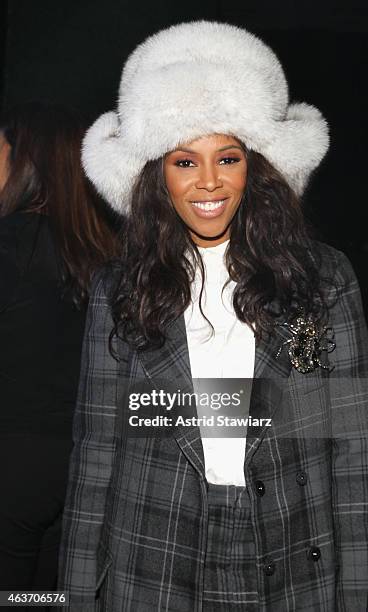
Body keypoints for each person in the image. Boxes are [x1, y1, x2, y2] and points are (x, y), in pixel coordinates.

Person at [58, 22, 368, 611]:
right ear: (157, 177)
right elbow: (96, 449)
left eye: (227, 156)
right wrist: (76, 595)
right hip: (154, 547)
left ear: (258, 165)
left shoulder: (319, 281)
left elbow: (349, 447)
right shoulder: (122, 288)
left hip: (289, 542)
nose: (208, 181)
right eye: (183, 161)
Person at [0, 102, 121, 597]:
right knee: (45, 596)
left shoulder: (11, 244)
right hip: (82, 469)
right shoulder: (109, 256)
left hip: (11, 467)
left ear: (28, 160)